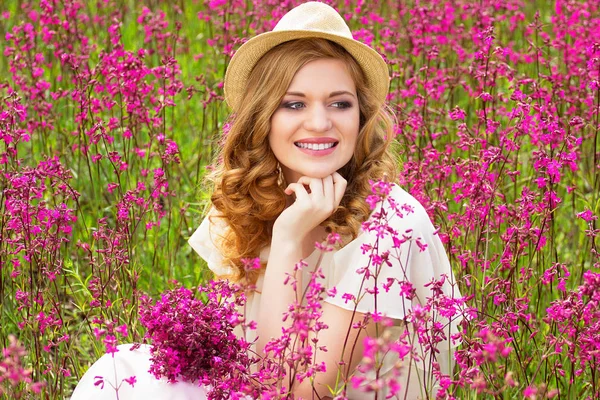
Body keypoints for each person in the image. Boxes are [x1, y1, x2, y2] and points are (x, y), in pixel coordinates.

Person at [71, 2, 462, 399]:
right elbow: (238, 357)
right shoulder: (250, 198)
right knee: (119, 373)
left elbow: (296, 390)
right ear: (263, 117)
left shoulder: (392, 224)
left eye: (340, 103)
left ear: (361, 116)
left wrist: (289, 235)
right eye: (294, 103)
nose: (320, 123)